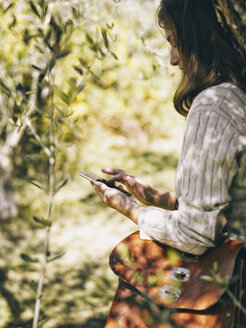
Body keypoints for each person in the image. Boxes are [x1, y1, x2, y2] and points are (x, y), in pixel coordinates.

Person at [91, 0, 246, 256]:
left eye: (175, 41)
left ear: (204, 36)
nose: (173, 59)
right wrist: (156, 197)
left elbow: (195, 233)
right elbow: (228, 207)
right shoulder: (237, 93)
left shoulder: (213, 105)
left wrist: (129, 208)